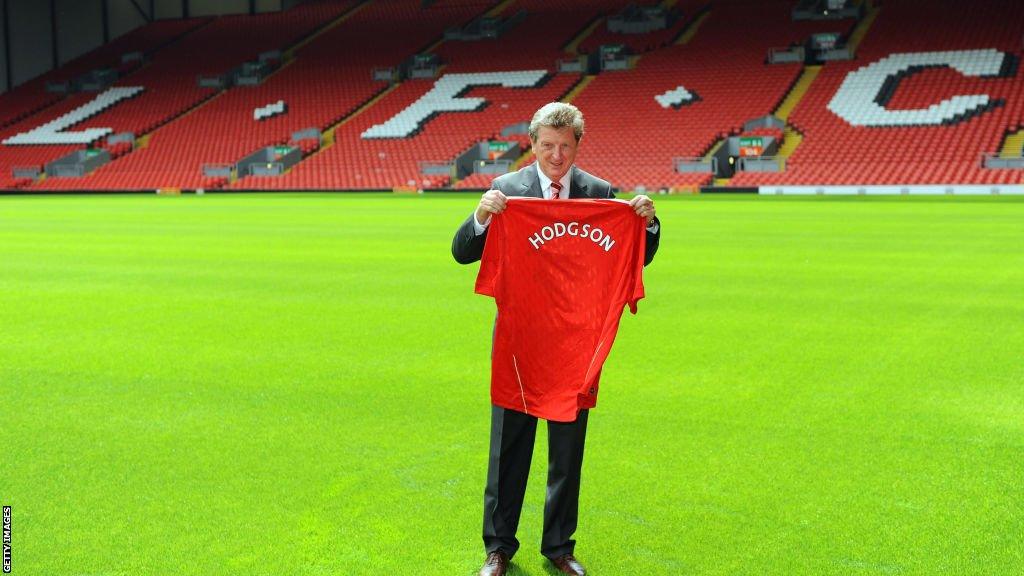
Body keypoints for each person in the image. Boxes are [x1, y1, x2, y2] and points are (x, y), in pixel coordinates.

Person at [451, 102, 661, 576]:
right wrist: (482, 216)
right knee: (508, 452)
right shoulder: (506, 190)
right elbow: (462, 252)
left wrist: (647, 223)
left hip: (575, 349)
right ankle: (498, 548)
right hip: (520, 346)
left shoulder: (599, 193)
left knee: (567, 453)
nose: (556, 155)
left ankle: (560, 548)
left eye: (565, 146)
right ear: (533, 143)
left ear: (578, 146)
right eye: (548, 145)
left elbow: (636, 255)